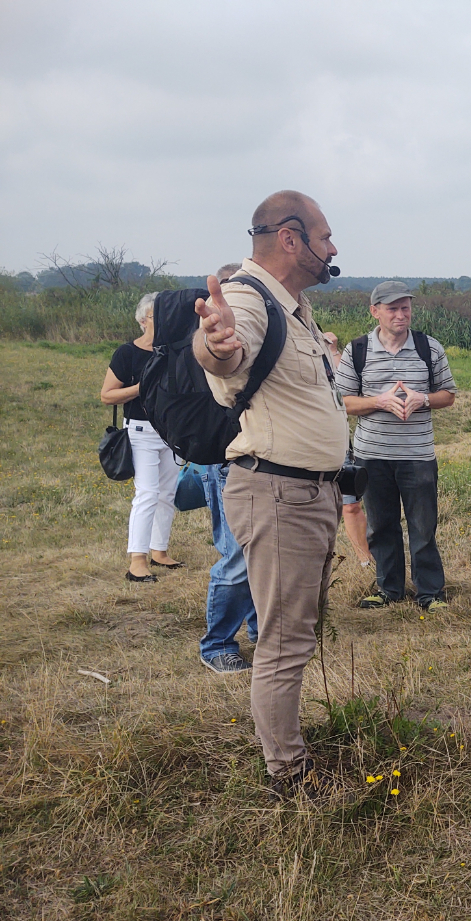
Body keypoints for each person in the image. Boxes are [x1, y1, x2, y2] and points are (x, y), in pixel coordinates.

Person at [193, 189, 350, 800]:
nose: (332, 248)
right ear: (290, 237)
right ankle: (289, 775)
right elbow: (225, 351)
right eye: (325, 235)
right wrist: (218, 345)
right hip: (281, 493)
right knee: (283, 642)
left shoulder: (296, 305)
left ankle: (289, 748)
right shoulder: (248, 299)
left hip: (306, 493)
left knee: (291, 634)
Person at [335, 281, 457, 610]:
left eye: (405, 308)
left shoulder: (429, 348)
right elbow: (342, 402)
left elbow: (448, 395)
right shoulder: (357, 350)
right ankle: (389, 589)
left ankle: (430, 592)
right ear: (375, 311)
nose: (401, 315)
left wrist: (422, 399)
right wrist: (380, 401)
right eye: (392, 309)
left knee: (423, 526)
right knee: (380, 525)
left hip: (417, 454)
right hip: (371, 454)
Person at [197, 262, 258, 674]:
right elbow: (218, 359)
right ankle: (217, 643)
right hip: (226, 460)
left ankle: (258, 627)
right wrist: (219, 345)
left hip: (257, 461)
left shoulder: (269, 327)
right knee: (237, 555)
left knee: (259, 554)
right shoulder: (218, 333)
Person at [101, 291, 184, 583]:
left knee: (166, 493)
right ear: (141, 320)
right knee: (147, 493)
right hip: (140, 431)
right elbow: (107, 395)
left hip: (171, 432)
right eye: (153, 317)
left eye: (164, 317)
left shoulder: (174, 352)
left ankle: (159, 550)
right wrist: (142, 387)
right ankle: (137, 559)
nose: (159, 323)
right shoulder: (128, 353)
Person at [319, 330, 373, 572]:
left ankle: (365, 561)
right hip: (304, 440)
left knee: (350, 504)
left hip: (334, 437)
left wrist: (331, 350)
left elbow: (346, 389)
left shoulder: (325, 357)